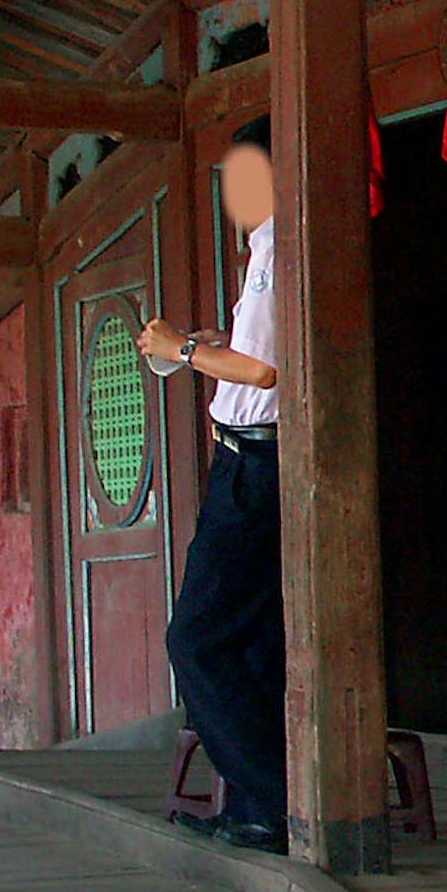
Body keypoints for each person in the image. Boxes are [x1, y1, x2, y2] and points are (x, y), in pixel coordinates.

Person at [143, 118, 288, 853]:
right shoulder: (267, 247)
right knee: (252, 642)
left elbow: (266, 372)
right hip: (246, 457)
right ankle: (269, 799)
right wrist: (203, 345)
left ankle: (270, 801)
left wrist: (182, 352)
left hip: (256, 464)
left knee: (196, 639)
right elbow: (256, 353)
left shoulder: (280, 250)